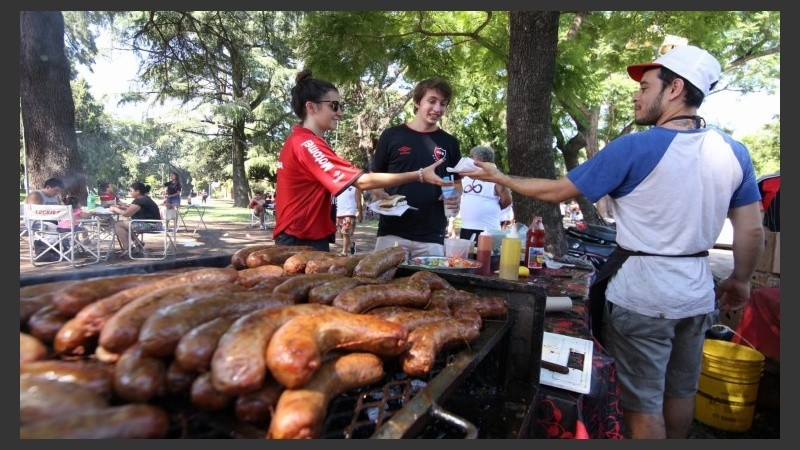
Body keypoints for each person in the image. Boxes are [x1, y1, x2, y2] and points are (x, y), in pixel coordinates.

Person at [460, 45, 764, 439]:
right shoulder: (735, 151)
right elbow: (752, 229)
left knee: (642, 404)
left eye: (645, 86)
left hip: (644, 297)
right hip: (697, 294)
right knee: (680, 392)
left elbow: (557, 190)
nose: (636, 95)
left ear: (674, 89)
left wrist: (500, 177)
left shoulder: (636, 146)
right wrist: (740, 280)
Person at [274, 69, 451, 252]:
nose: (340, 113)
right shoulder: (307, 144)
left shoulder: (304, 141)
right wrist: (420, 175)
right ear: (311, 107)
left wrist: (379, 190)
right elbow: (361, 181)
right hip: (299, 239)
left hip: (304, 236)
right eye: (334, 106)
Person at [369, 76, 463, 258]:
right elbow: (375, 178)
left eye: (443, 103)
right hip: (392, 232)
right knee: (384, 286)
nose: (437, 109)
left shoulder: (450, 143)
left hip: (432, 236)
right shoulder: (391, 136)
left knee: (429, 286)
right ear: (417, 102)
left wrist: (456, 196)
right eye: (432, 101)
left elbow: (457, 183)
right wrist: (379, 193)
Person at [458, 145, 512, 240]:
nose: (469, 159)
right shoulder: (466, 175)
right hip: (466, 228)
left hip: (488, 229)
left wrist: (490, 207)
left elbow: (506, 200)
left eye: (471, 157)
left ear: (480, 159)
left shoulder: (495, 177)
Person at [108, 182, 163, 255]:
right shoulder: (145, 199)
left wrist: (114, 209)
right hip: (156, 225)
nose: (130, 193)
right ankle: (138, 243)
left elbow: (126, 214)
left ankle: (127, 248)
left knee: (117, 224)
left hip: (150, 226)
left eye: (131, 191)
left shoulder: (139, 200)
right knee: (125, 225)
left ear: (137, 191)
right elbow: (135, 209)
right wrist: (122, 207)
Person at [335, 185, 363, 256]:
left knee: (345, 233)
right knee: (341, 234)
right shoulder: (338, 186)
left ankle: (344, 252)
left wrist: (360, 214)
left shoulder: (356, 188)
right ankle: (351, 245)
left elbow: (359, 203)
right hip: (339, 213)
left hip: (350, 212)